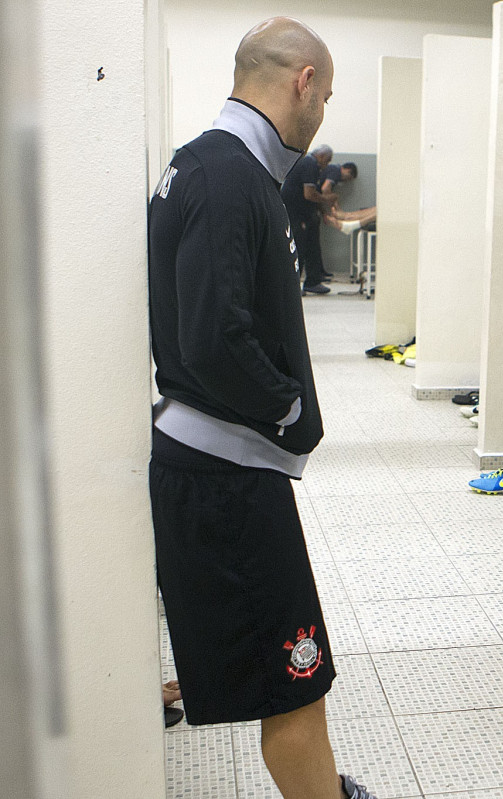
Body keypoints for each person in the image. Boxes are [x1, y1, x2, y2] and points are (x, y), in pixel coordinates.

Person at [147, 17, 377, 799]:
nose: (323, 115)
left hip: (222, 467)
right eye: (328, 95)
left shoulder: (211, 166)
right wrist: (286, 410)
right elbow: (212, 337)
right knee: (296, 674)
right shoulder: (227, 175)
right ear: (303, 82)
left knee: (289, 673)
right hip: (227, 474)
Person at [281, 144, 335, 293]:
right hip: (297, 213)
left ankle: (313, 282)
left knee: (312, 247)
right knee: (300, 248)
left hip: (304, 212)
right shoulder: (310, 164)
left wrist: (323, 212)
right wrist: (327, 199)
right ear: (322, 156)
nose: (327, 164)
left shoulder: (312, 165)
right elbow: (309, 194)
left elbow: (314, 193)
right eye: (328, 160)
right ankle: (293, 286)